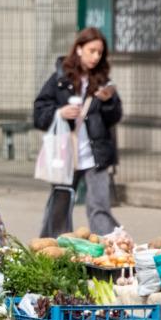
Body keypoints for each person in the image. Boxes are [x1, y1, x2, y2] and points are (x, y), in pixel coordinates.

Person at [33, 26, 122, 238]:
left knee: (99, 206)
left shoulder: (103, 81)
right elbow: (39, 112)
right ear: (79, 49)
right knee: (60, 206)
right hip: (66, 154)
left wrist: (108, 102)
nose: (96, 57)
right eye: (92, 50)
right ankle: (52, 252)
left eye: (99, 53)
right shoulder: (60, 79)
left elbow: (115, 117)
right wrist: (60, 112)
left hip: (96, 154)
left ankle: (111, 250)